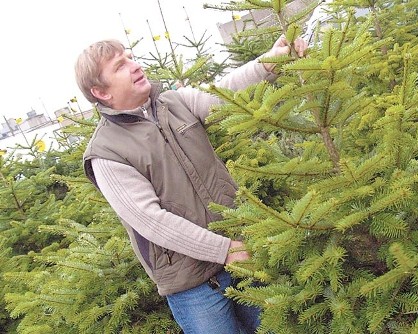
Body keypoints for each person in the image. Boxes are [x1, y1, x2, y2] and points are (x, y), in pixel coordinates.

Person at [75, 36, 307, 333]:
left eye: (131, 58)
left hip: (243, 254)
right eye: (121, 66)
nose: (135, 66)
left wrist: (270, 61)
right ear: (100, 92)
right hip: (194, 286)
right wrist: (225, 250)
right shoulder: (105, 153)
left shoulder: (175, 102)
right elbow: (153, 222)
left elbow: (225, 95)